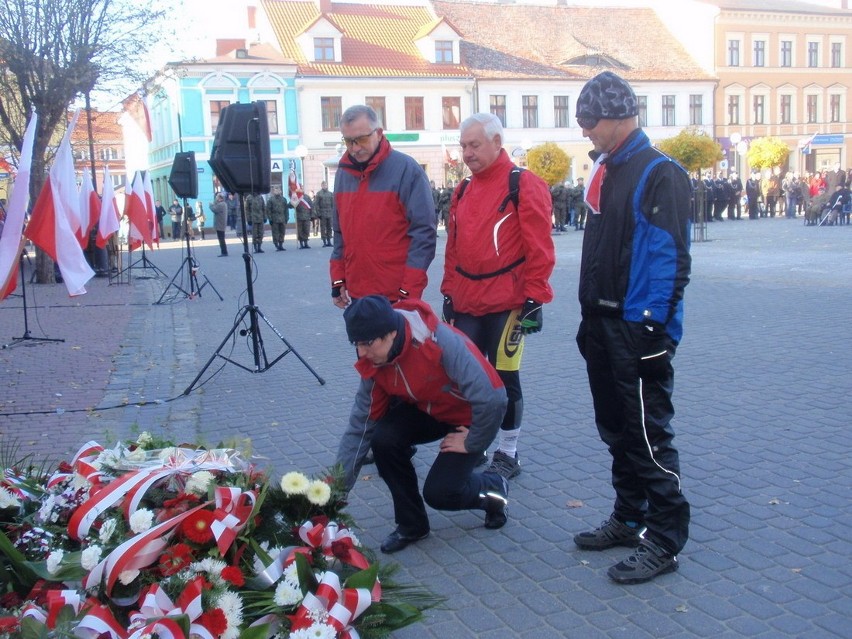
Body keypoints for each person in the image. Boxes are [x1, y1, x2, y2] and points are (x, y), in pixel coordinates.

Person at [573, 71, 691, 584]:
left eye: (589, 120)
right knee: (616, 431)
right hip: (601, 323)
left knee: (647, 437)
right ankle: (629, 516)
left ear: (619, 115)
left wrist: (650, 331)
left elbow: (669, 262)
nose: (584, 131)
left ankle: (664, 538)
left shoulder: (659, 171)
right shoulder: (606, 168)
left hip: (636, 329)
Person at [335, 295, 510, 553]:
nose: (362, 353)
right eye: (356, 344)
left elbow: (494, 398)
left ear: (391, 333)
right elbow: (360, 426)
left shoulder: (440, 343)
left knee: (441, 493)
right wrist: (335, 491)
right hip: (428, 409)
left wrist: (473, 441)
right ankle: (412, 524)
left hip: (467, 419)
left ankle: (495, 489)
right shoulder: (375, 362)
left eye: (367, 343)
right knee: (383, 439)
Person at [441, 112, 555, 480]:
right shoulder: (462, 189)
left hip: (508, 303)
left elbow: (540, 247)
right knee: (465, 378)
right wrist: (448, 294)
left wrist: (536, 299)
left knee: (505, 378)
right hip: (469, 301)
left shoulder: (523, 184)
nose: (467, 153)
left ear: (496, 142)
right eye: (463, 146)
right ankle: (475, 444)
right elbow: (454, 249)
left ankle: (508, 453)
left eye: (474, 145)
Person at [330, 104, 436, 308]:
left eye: (361, 139)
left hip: (396, 296)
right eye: (348, 141)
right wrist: (338, 280)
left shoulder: (407, 170)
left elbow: (424, 234)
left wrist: (409, 291)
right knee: (361, 341)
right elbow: (339, 233)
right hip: (357, 294)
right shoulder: (343, 174)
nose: (355, 148)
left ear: (378, 133)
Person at [266, 187, 290, 251]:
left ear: (281, 191)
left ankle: (281, 245)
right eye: (275, 190)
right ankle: (276, 244)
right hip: (274, 219)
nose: (277, 191)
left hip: (282, 218)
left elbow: (286, 209)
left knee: (282, 232)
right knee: (275, 233)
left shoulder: (283, 199)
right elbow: (268, 210)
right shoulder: (271, 200)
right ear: (273, 192)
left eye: (278, 190)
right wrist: (270, 219)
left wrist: (287, 218)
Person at [314, 181, 335, 247]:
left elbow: (333, 204)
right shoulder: (319, 194)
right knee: (323, 228)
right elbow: (316, 204)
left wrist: (333, 212)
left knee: (329, 227)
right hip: (322, 213)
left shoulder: (330, 194)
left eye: (326, 185)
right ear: (321, 186)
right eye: (323, 185)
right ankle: (324, 241)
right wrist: (318, 213)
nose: (325, 186)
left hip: (329, 213)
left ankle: (329, 241)